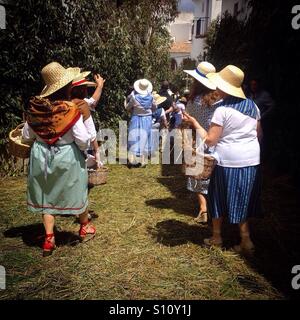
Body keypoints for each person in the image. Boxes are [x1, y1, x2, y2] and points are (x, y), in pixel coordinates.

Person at [183, 65, 262, 254]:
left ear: (225, 88)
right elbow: (260, 135)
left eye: (219, 85)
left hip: (228, 161)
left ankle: (217, 237)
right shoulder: (253, 106)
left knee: (217, 198)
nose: (216, 89)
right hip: (251, 160)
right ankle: (246, 240)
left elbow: (210, 140)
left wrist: (194, 124)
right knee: (243, 198)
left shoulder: (222, 111)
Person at [22, 62, 96, 256]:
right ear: (68, 87)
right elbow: (82, 138)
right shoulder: (70, 110)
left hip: (41, 156)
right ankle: (84, 226)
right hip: (66, 156)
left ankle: (48, 237)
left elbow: (26, 136)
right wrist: (83, 150)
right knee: (78, 188)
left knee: (47, 194)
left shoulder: (36, 109)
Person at [183, 61, 219, 223]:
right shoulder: (219, 101)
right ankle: (215, 208)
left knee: (198, 174)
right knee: (214, 175)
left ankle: (203, 208)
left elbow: (187, 119)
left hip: (199, 140)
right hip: (216, 139)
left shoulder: (193, 101)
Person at [126, 79, 156, 168]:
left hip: (136, 118)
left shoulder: (134, 98)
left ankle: (131, 160)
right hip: (147, 119)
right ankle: (143, 161)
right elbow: (154, 108)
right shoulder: (151, 97)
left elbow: (128, 107)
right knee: (145, 139)